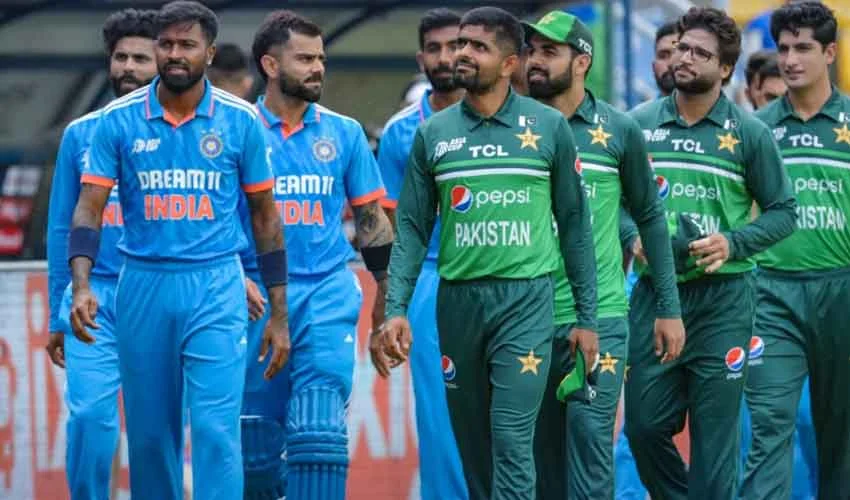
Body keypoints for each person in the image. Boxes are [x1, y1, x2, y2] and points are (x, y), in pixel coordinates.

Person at [66, 2, 290, 498]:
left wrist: (279, 312)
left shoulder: (241, 121)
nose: (174, 54)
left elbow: (266, 219)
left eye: (186, 44)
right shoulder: (118, 120)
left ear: (208, 53)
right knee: (150, 439)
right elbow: (88, 209)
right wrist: (80, 285)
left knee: (215, 432)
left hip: (215, 285)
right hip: (142, 283)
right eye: (165, 44)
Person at [378, 7, 598, 499]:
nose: (461, 53)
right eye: (461, 43)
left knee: (513, 440)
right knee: (473, 450)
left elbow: (575, 226)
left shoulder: (548, 127)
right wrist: (395, 309)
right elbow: (410, 229)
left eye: (477, 47)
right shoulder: (433, 134)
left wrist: (587, 318)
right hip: (458, 304)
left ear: (510, 63)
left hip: (526, 303)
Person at [624, 7, 797, 499]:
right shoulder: (636, 126)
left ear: (724, 69)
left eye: (700, 53)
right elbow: (611, 201)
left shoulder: (748, 133)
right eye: (682, 47)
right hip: (656, 296)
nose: (685, 58)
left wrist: (732, 242)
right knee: (643, 426)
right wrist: (629, 236)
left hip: (725, 299)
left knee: (715, 443)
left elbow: (784, 212)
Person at [522, 11, 684, 500]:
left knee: (590, 443)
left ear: (581, 62)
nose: (535, 61)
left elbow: (650, 216)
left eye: (549, 52)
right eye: (532, 51)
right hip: (525, 317)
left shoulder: (617, 129)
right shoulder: (513, 126)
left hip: (602, 317)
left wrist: (669, 308)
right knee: (541, 460)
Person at [242, 10, 393, 500]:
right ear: (270, 65)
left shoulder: (345, 133)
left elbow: (371, 220)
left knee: (318, 433)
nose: (318, 69)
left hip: (326, 292)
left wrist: (386, 298)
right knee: (254, 452)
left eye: (321, 59)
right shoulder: (238, 129)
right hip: (252, 300)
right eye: (305, 59)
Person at [45, 9, 158, 499]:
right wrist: (59, 310)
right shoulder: (80, 133)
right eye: (120, 57)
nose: (128, 67)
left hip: (158, 292)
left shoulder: (184, 133)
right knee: (91, 419)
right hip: (95, 299)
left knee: (157, 430)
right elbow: (61, 228)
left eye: (140, 58)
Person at [742, 2, 847, 499]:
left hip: (842, 289)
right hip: (771, 296)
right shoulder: (755, 129)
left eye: (803, 48)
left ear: (830, 53)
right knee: (769, 423)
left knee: (840, 438)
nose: (790, 59)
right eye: (783, 48)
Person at [371, 8, 467, 500]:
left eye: (456, 46)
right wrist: (389, 303)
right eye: (435, 48)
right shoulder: (400, 131)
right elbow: (389, 227)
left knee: (512, 417)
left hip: (512, 281)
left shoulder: (519, 123)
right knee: (441, 419)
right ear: (420, 58)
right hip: (432, 279)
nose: (446, 57)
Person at [653, 21, 680, 98]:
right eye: (663, 56)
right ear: (653, 66)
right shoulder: (643, 107)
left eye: (678, 54)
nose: (670, 63)